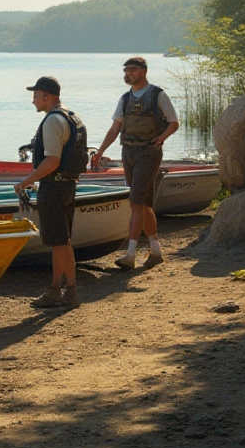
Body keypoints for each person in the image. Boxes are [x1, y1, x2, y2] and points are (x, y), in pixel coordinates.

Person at [91, 56, 180, 270]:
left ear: (144, 71)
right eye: (126, 70)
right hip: (128, 151)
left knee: (135, 202)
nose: (128, 73)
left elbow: (174, 123)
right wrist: (100, 151)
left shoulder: (158, 95)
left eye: (132, 70)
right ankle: (156, 251)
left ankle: (130, 254)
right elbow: (115, 128)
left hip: (148, 152)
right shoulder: (124, 99)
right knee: (144, 203)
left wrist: (161, 138)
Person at [13, 76, 87, 309]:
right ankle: (61, 290)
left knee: (59, 242)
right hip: (68, 185)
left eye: (35, 96)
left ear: (47, 96)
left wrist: (26, 182)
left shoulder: (53, 121)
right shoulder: (72, 117)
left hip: (53, 187)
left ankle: (64, 291)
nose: (33, 101)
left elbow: (52, 160)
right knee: (62, 241)